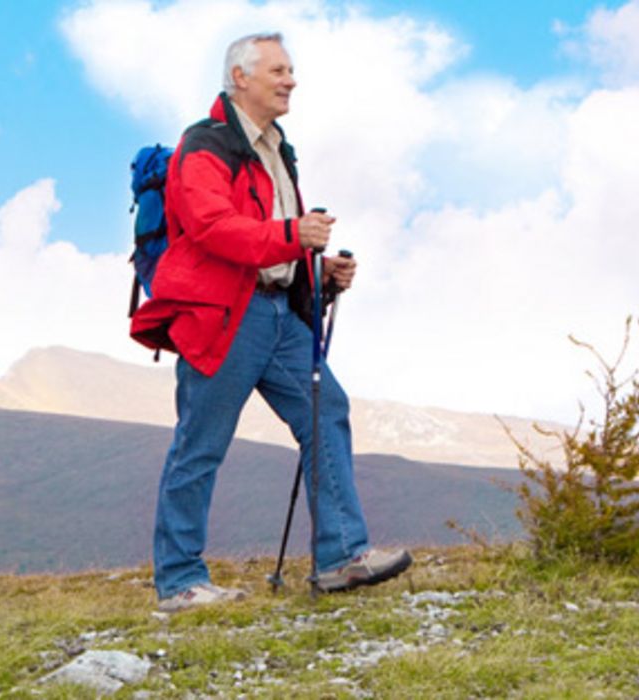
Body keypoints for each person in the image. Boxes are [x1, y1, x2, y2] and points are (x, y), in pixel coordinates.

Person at [130, 33, 412, 612]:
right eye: (278, 70)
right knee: (200, 445)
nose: (290, 80)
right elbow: (210, 226)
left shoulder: (277, 149)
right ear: (241, 77)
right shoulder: (205, 145)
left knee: (325, 410)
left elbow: (271, 238)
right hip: (225, 315)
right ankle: (180, 581)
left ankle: (340, 558)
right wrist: (293, 236)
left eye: (290, 71)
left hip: (279, 311)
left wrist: (318, 268)